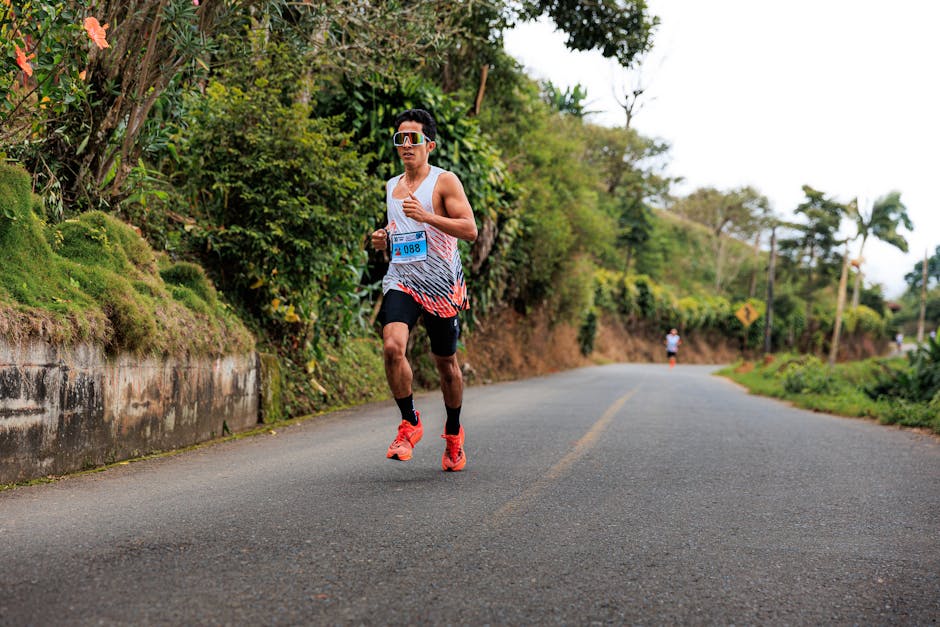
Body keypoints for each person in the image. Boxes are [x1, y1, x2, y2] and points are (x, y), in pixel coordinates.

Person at [370, 108, 478, 472]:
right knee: (391, 346)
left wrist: (428, 216)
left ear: (429, 144)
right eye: (399, 139)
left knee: (446, 365)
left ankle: (452, 433)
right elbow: (399, 230)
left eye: (413, 138)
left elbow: (469, 229)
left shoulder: (445, 181)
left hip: (441, 285)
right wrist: (383, 238)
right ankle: (410, 422)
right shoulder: (391, 186)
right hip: (402, 278)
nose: (405, 145)